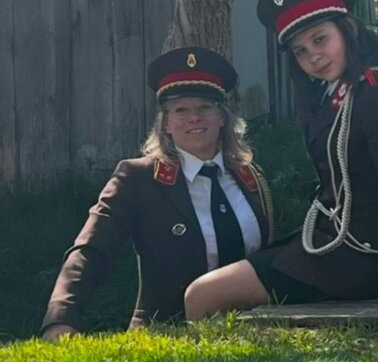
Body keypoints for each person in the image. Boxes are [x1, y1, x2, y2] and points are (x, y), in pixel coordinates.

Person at [182, 0, 378, 318]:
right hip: (333, 243)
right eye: (301, 51)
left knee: (203, 295)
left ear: (348, 29)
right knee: (205, 291)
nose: (314, 56)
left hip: (367, 257)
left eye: (320, 39)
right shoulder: (333, 93)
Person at [41, 48, 271, 339]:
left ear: (222, 117)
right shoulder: (138, 178)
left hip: (253, 334)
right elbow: (91, 250)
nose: (194, 117)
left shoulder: (249, 177)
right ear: (165, 123)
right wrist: (61, 317)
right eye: (181, 110)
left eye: (205, 107)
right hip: (167, 335)